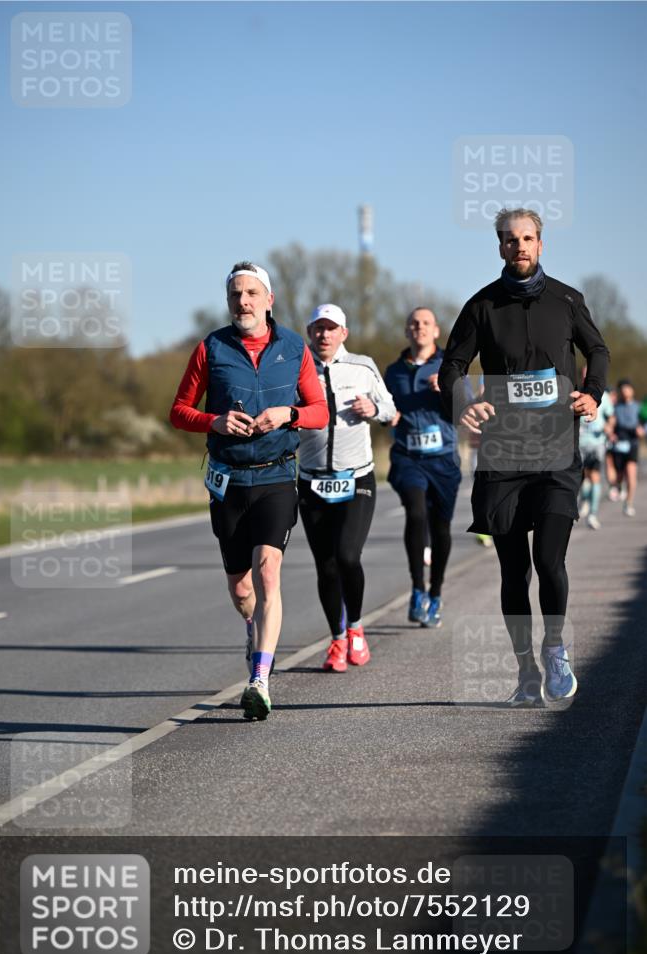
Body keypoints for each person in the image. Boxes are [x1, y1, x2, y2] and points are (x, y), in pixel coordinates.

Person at [439, 208, 609, 706]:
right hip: (503, 457)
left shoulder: (567, 299)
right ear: (499, 247)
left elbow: (597, 350)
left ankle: (554, 649)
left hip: (557, 454)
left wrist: (592, 393)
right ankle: (525, 672)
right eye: (510, 240)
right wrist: (465, 402)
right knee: (514, 573)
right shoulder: (481, 306)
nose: (520, 247)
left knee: (549, 560)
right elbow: (451, 366)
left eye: (528, 238)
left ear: (541, 244)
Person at [170, 262, 328, 721]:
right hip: (229, 481)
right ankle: (251, 626)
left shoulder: (294, 347)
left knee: (269, 571)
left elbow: (318, 410)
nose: (243, 301)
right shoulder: (211, 348)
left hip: (277, 475)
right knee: (242, 589)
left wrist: (288, 415)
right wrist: (213, 421)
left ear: (269, 300)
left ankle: (259, 679)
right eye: (236, 294)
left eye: (252, 293)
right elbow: (179, 410)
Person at [298, 303, 396, 671]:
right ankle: (336, 640)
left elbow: (390, 408)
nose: (324, 334)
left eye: (331, 328)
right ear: (310, 333)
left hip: (356, 478)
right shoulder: (296, 368)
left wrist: (374, 408)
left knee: (347, 556)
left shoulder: (362, 365)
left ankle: (355, 627)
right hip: (312, 482)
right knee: (325, 567)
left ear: (344, 333)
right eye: (318, 328)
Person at [385, 307, 468, 629]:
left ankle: (435, 593)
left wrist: (448, 391)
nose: (419, 328)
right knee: (416, 513)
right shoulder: (393, 371)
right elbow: (384, 408)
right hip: (408, 456)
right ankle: (417, 589)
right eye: (414, 323)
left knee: (441, 528)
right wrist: (384, 416)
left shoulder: (451, 368)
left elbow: (466, 412)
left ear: (436, 331)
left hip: (443, 459)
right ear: (407, 331)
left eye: (426, 323)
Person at [578, 369, 614, 529]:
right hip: (578, 444)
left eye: (590, 373)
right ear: (581, 376)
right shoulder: (575, 394)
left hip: (597, 443)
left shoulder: (604, 397)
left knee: (595, 477)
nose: (587, 376)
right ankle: (584, 500)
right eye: (585, 374)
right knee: (582, 478)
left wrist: (609, 427)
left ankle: (592, 514)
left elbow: (611, 417)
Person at [610, 378, 644, 516]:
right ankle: (619, 486)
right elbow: (611, 424)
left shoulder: (639, 406)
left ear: (632, 390)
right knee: (618, 475)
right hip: (618, 444)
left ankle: (628, 503)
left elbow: (644, 423)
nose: (625, 392)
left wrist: (642, 431)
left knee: (631, 474)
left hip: (633, 444)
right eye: (622, 390)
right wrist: (611, 433)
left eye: (627, 389)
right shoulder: (616, 408)